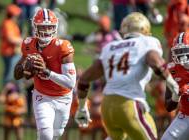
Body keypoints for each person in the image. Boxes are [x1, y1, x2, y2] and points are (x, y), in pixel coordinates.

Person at [74, 12, 179, 140]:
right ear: (145, 29)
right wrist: (172, 82)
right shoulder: (147, 42)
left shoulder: (110, 47)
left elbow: (84, 78)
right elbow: (155, 62)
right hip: (129, 103)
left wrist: (82, 107)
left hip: (107, 106)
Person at [14, 8, 76, 140]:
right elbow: (17, 75)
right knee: (46, 133)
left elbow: (70, 83)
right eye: (43, 27)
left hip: (63, 97)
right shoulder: (28, 44)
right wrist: (24, 67)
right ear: (35, 27)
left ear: (55, 27)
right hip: (42, 95)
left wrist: (46, 72)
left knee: (56, 134)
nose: (47, 31)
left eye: (49, 27)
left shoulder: (62, 47)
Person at [161, 31, 189, 140]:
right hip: (186, 115)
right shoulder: (173, 70)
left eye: (185, 52)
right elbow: (169, 107)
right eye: (179, 52)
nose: (182, 58)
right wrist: (176, 95)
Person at [0, 4, 23, 87]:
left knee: (12, 72)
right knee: (9, 74)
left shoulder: (12, 23)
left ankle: (12, 91)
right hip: (9, 52)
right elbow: (10, 39)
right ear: (13, 14)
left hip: (12, 52)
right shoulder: (7, 24)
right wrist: (22, 40)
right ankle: (6, 93)